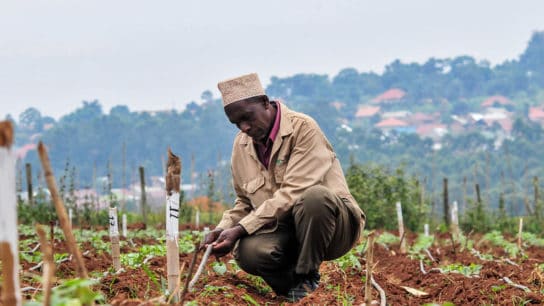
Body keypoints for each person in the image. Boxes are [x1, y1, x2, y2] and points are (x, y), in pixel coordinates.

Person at [203, 73, 365, 301]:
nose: (244, 127)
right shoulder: (241, 145)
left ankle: (307, 274)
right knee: (249, 252)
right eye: (236, 123)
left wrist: (240, 229)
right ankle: (294, 293)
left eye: (247, 117)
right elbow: (244, 202)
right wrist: (223, 228)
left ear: (265, 102)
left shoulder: (303, 129)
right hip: (284, 228)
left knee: (315, 197)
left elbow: (295, 192)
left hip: (333, 225)